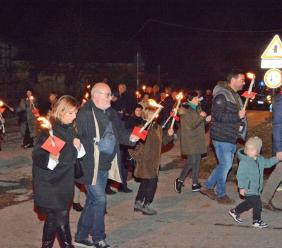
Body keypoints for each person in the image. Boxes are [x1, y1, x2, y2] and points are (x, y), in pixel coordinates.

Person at [74, 82, 138, 248]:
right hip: (90, 167)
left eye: (111, 94)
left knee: (92, 202)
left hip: (104, 165)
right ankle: (98, 238)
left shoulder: (111, 113)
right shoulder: (85, 114)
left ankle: (80, 237)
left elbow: (120, 131)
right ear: (96, 95)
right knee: (100, 200)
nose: (112, 97)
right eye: (108, 94)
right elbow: (78, 138)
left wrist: (130, 138)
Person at [32, 95, 85, 248]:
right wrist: (52, 157)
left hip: (64, 183)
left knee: (53, 219)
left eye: (76, 112)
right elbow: (37, 156)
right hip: (51, 184)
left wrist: (78, 147)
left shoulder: (69, 128)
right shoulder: (49, 131)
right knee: (61, 219)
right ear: (61, 112)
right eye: (71, 113)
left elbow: (76, 156)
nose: (75, 116)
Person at [200, 70, 247, 204]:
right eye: (242, 80)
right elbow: (217, 116)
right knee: (226, 165)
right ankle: (221, 194)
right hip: (221, 136)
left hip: (230, 135)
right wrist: (237, 116)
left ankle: (208, 186)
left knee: (224, 165)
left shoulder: (233, 95)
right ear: (233, 80)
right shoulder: (222, 95)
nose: (244, 83)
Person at [229, 137, 278, 228]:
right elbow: (240, 175)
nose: (249, 151)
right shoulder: (245, 162)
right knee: (257, 203)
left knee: (250, 203)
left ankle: (235, 211)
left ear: (258, 151)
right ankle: (257, 221)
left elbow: (268, 163)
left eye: (252, 149)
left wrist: (277, 158)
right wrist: (241, 187)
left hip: (256, 188)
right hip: (249, 188)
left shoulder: (260, 159)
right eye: (247, 149)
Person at [130, 121, 174, 215]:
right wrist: (140, 158)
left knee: (146, 181)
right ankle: (146, 204)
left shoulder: (157, 127)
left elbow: (161, 143)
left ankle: (138, 202)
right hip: (145, 161)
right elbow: (132, 146)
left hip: (154, 160)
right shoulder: (142, 126)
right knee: (152, 182)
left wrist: (169, 135)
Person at [174, 91, 211, 193]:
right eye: (195, 98)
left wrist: (206, 120)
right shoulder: (185, 110)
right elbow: (192, 124)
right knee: (192, 161)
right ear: (189, 100)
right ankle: (180, 180)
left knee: (197, 160)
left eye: (197, 98)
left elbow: (200, 124)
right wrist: (202, 116)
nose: (197, 100)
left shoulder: (197, 108)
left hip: (198, 138)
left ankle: (194, 183)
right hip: (190, 140)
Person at [261, 91, 282, 211]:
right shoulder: (280, 101)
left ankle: (264, 199)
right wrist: (279, 149)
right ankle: (264, 199)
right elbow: (278, 125)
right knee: (279, 171)